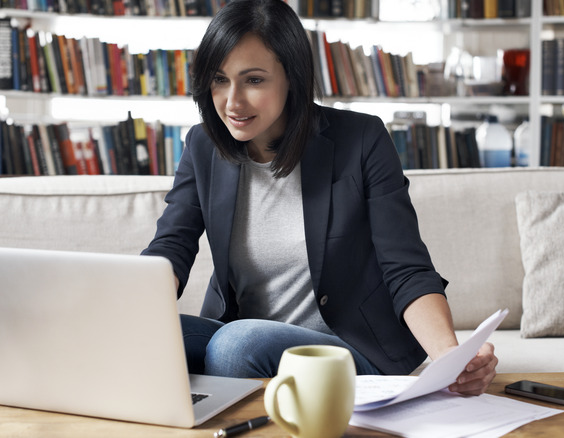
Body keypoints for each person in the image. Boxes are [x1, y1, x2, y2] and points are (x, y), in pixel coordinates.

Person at [142, 0, 497, 395]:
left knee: (233, 346)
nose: (232, 102)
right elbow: (172, 244)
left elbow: (406, 268)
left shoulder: (361, 140)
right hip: (241, 334)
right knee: (137, 337)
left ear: (291, 76)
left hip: (347, 346)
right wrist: (125, 306)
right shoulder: (202, 145)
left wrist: (449, 358)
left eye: (253, 80)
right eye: (220, 79)